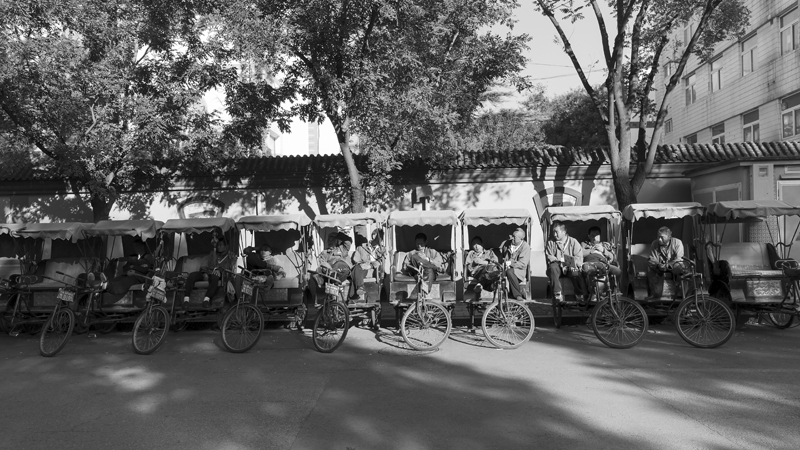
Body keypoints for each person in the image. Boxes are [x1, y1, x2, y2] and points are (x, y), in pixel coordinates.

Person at [183, 236, 237, 308]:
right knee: (192, 275)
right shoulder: (212, 253)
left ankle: (206, 299)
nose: (218, 247)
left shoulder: (230, 256)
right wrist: (204, 272)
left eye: (220, 245)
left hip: (217, 275)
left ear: (226, 246)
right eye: (218, 245)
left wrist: (220, 271)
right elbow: (205, 262)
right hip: (207, 272)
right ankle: (186, 300)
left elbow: (228, 267)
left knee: (215, 277)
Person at [545, 222, 585, 302]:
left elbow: (579, 257)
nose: (554, 234)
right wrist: (560, 263)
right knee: (552, 267)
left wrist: (571, 265)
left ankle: (580, 295)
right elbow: (549, 256)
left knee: (576, 272)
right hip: (558, 268)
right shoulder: (551, 243)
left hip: (570, 267)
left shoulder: (573, 242)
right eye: (553, 232)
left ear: (564, 232)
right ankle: (557, 293)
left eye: (556, 232)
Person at [581, 226, 622, 302]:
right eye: (592, 235)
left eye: (597, 235)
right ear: (589, 236)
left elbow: (612, 257)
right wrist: (591, 250)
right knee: (586, 270)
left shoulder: (605, 245)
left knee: (618, 271)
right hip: (590, 263)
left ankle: (610, 292)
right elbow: (580, 254)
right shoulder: (583, 244)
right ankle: (593, 293)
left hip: (603, 263)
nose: (595, 238)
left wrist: (603, 250)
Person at [647, 226, 686, 300]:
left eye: (662, 237)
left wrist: (668, 265)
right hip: (659, 268)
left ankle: (681, 293)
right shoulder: (654, 244)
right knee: (650, 266)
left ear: (669, 237)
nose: (659, 239)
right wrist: (658, 265)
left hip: (674, 267)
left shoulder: (678, 243)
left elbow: (679, 259)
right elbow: (652, 259)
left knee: (680, 265)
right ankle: (655, 293)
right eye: (658, 237)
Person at [349, 228, 386, 301]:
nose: (381, 239)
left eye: (382, 237)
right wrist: (363, 265)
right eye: (379, 236)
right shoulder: (361, 247)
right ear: (373, 235)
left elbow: (381, 261)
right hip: (361, 269)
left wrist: (371, 265)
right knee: (356, 268)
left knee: (355, 272)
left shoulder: (382, 250)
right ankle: (359, 288)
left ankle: (354, 296)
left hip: (373, 270)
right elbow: (356, 259)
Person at [500, 228, 531, 301]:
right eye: (512, 236)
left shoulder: (525, 247)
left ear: (521, 239)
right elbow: (503, 256)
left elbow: (523, 264)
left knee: (510, 272)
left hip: (519, 271)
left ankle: (517, 295)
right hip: (506, 269)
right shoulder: (507, 244)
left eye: (514, 237)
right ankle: (501, 295)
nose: (512, 238)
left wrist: (511, 263)